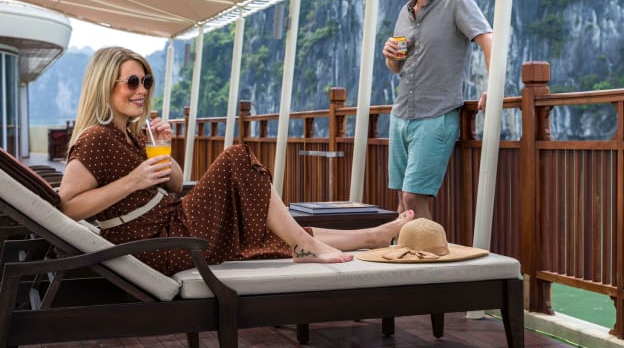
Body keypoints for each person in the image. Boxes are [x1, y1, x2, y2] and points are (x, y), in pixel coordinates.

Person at [59, 46, 414, 276]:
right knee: (237, 156)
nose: (142, 89)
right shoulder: (95, 139)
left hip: (172, 225)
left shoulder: (131, 134)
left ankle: (371, 235)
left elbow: (175, 185)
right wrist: (133, 180)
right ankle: (308, 245)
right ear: (106, 84)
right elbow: (69, 205)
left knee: (265, 228)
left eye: (146, 80)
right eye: (132, 81)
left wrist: (163, 150)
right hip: (158, 243)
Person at [382, 0, 492, 220]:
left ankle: (430, 258)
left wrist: (493, 87)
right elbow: (398, 68)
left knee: (414, 197)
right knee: (402, 200)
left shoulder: (456, 2)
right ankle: (406, 257)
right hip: (401, 115)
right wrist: (390, 57)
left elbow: (488, 41)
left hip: (436, 116)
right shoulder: (404, 14)